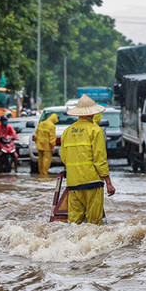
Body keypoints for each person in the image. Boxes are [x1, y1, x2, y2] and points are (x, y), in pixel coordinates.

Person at [60, 95, 115, 225]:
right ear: (93, 113)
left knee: (74, 224)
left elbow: (64, 157)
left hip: (73, 183)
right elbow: (99, 159)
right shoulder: (95, 130)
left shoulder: (67, 132)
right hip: (92, 182)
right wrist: (108, 182)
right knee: (94, 224)